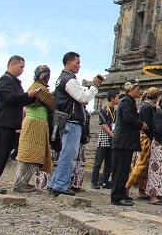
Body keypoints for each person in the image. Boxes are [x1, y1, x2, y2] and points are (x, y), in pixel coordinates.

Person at [50, 52, 101, 197]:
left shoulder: (61, 78)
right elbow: (83, 97)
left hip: (65, 120)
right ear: (68, 63)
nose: (79, 65)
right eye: (77, 62)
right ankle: (60, 185)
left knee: (65, 154)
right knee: (68, 154)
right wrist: (95, 86)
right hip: (71, 121)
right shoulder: (69, 80)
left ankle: (55, 183)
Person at [0, 56, 40, 194]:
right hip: (1, 124)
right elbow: (10, 98)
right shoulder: (5, 80)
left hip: (10, 124)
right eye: (21, 66)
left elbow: (19, 101)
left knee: (4, 156)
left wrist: (33, 98)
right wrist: (28, 94)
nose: (23, 69)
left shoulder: (16, 82)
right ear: (12, 64)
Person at [12, 65, 55, 193]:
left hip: (35, 123)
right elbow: (52, 104)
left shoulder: (36, 86)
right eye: (47, 76)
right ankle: (20, 184)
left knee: (29, 154)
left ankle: (21, 182)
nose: (48, 78)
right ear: (44, 76)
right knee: (31, 155)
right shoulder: (40, 88)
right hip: (35, 124)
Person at [111, 80, 146, 206]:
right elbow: (128, 118)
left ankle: (121, 194)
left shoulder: (129, 101)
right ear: (131, 89)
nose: (139, 91)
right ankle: (117, 196)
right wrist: (141, 124)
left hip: (126, 142)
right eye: (137, 89)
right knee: (120, 170)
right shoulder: (126, 101)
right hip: (123, 142)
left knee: (124, 170)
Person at [126, 86, 160, 200]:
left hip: (149, 138)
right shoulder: (146, 108)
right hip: (146, 138)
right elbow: (148, 126)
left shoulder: (151, 107)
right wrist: (154, 137)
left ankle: (141, 189)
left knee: (146, 166)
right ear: (156, 97)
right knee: (141, 164)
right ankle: (127, 186)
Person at [91, 90, 118, 189]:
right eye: (117, 97)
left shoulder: (115, 112)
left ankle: (104, 181)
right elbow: (103, 125)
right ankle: (94, 181)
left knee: (109, 163)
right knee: (98, 162)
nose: (118, 99)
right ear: (112, 98)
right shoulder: (104, 110)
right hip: (104, 138)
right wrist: (112, 134)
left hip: (112, 138)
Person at [71, 107, 91, 191]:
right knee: (73, 162)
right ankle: (70, 184)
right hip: (75, 139)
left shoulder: (85, 112)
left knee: (80, 163)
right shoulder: (75, 110)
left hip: (82, 141)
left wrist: (87, 135)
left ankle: (77, 185)